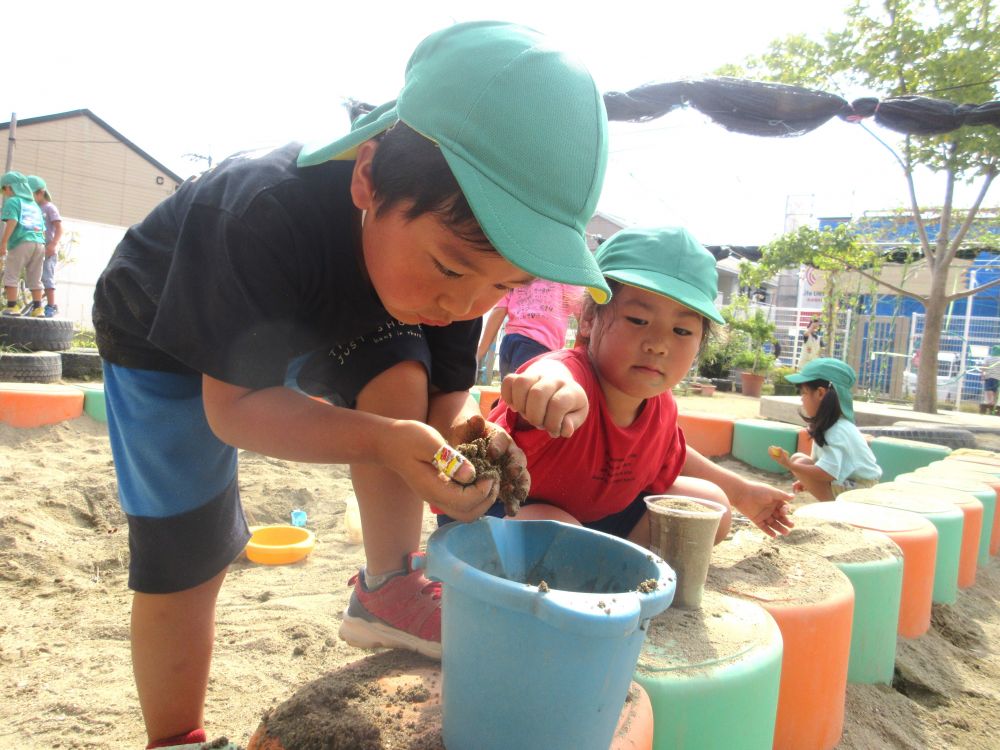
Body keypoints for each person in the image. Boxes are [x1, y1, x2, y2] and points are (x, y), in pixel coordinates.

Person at [91, 21, 610, 749]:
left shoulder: (450, 278)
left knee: (403, 375)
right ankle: (175, 734)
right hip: (165, 333)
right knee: (186, 544)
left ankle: (389, 585)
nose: (466, 305)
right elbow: (235, 409)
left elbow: (439, 406)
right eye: (456, 270)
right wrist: (382, 442)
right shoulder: (257, 210)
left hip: (345, 310)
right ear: (367, 176)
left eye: (505, 287)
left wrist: (472, 438)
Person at [439, 226, 794, 543]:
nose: (658, 343)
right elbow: (554, 374)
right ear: (590, 318)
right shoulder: (569, 374)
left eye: (682, 330)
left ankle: (617, 568)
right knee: (555, 529)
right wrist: (548, 389)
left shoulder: (661, 406)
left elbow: (672, 454)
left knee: (711, 506)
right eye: (638, 319)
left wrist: (743, 493)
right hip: (502, 511)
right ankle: (587, 568)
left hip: (593, 519)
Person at [769, 357, 881, 501]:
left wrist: (789, 465)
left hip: (860, 492)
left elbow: (827, 473)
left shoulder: (836, 430)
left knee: (798, 463)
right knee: (799, 459)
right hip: (857, 484)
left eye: (804, 393)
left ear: (821, 393)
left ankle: (833, 507)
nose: (801, 399)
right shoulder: (836, 425)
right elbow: (827, 467)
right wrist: (806, 480)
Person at [476, 278, 584, 379]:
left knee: (509, 392)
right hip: (540, 346)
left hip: (510, 343)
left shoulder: (518, 271)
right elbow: (582, 314)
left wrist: (482, 348)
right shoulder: (565, 275)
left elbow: (499, 310)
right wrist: (580, 353)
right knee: (526, 394)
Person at [0, 171, 47, 317]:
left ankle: (12, 307)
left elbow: (12, 221)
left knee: (11, 273)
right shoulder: (34, 205)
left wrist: (3, 243)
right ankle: (38, 308)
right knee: (35, 276)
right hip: (39, 243)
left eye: (3, 189)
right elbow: (43, 228)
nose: (4, 193)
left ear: (9, 187)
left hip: (21, 241)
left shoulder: (13, 201)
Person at [28, 175, 63, 317]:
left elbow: (59, 228)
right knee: (35, 277)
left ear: (41, 192)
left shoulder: (49, 208)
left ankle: (51, 305)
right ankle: (37, 305)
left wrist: (53, 245)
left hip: (48, 247)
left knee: (47, 276)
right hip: (35, 247)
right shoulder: (32, 208)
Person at [980, 345, 1000, 415]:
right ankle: (993, 404)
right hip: (998, 378)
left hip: (989, 377)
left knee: (989, 390)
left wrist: (982, 375)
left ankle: (990, 402)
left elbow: (984, 367)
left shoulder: (988, 358)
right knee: (995, 391)